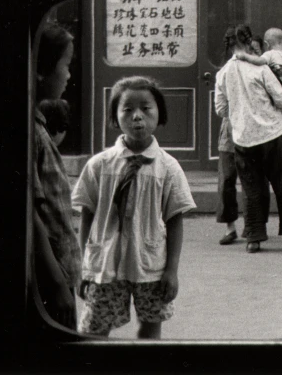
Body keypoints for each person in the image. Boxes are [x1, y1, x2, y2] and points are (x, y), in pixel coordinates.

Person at [72, 77, 196, 338]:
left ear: (159, 113)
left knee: (151, 325)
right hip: (105, 263)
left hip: (150, 264)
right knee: (95, 327)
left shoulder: (168, 168)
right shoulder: (99, 165)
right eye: (127, 109)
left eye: (146, 108)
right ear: (115, 117)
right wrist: (85, 266)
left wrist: (171, 270)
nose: (137, 117)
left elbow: (175, 220)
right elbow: (87, 216)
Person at [215, 24, 282, 253]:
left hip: (243, 140)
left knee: (252, 189)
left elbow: (220, 109)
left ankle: (254, 239)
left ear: (228, 46)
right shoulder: (261, 68)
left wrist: (241, 113)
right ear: (249, 44)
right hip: (273, 135)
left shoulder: (223, 73)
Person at [32, 23, 80, 329]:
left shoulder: (38, 124)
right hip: (50, 276)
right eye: (66, 65)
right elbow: (32, 213)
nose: (68, 75)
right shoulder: (32, 132)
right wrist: (57, 281)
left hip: (58, 269)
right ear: (41, 71)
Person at [215, 28, 242, 246]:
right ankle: (237, 227)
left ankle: (239, 227)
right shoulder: (226, 71)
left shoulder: (225, 71)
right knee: (231, 180)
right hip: (238, 130)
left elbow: (221, 108)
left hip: (239, 130)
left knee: (228, 180)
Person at [237, 27, 282, 103]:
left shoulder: (270, 54)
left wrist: (245, 57)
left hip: (276, 89)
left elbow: (259, 61)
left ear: (266, 44)